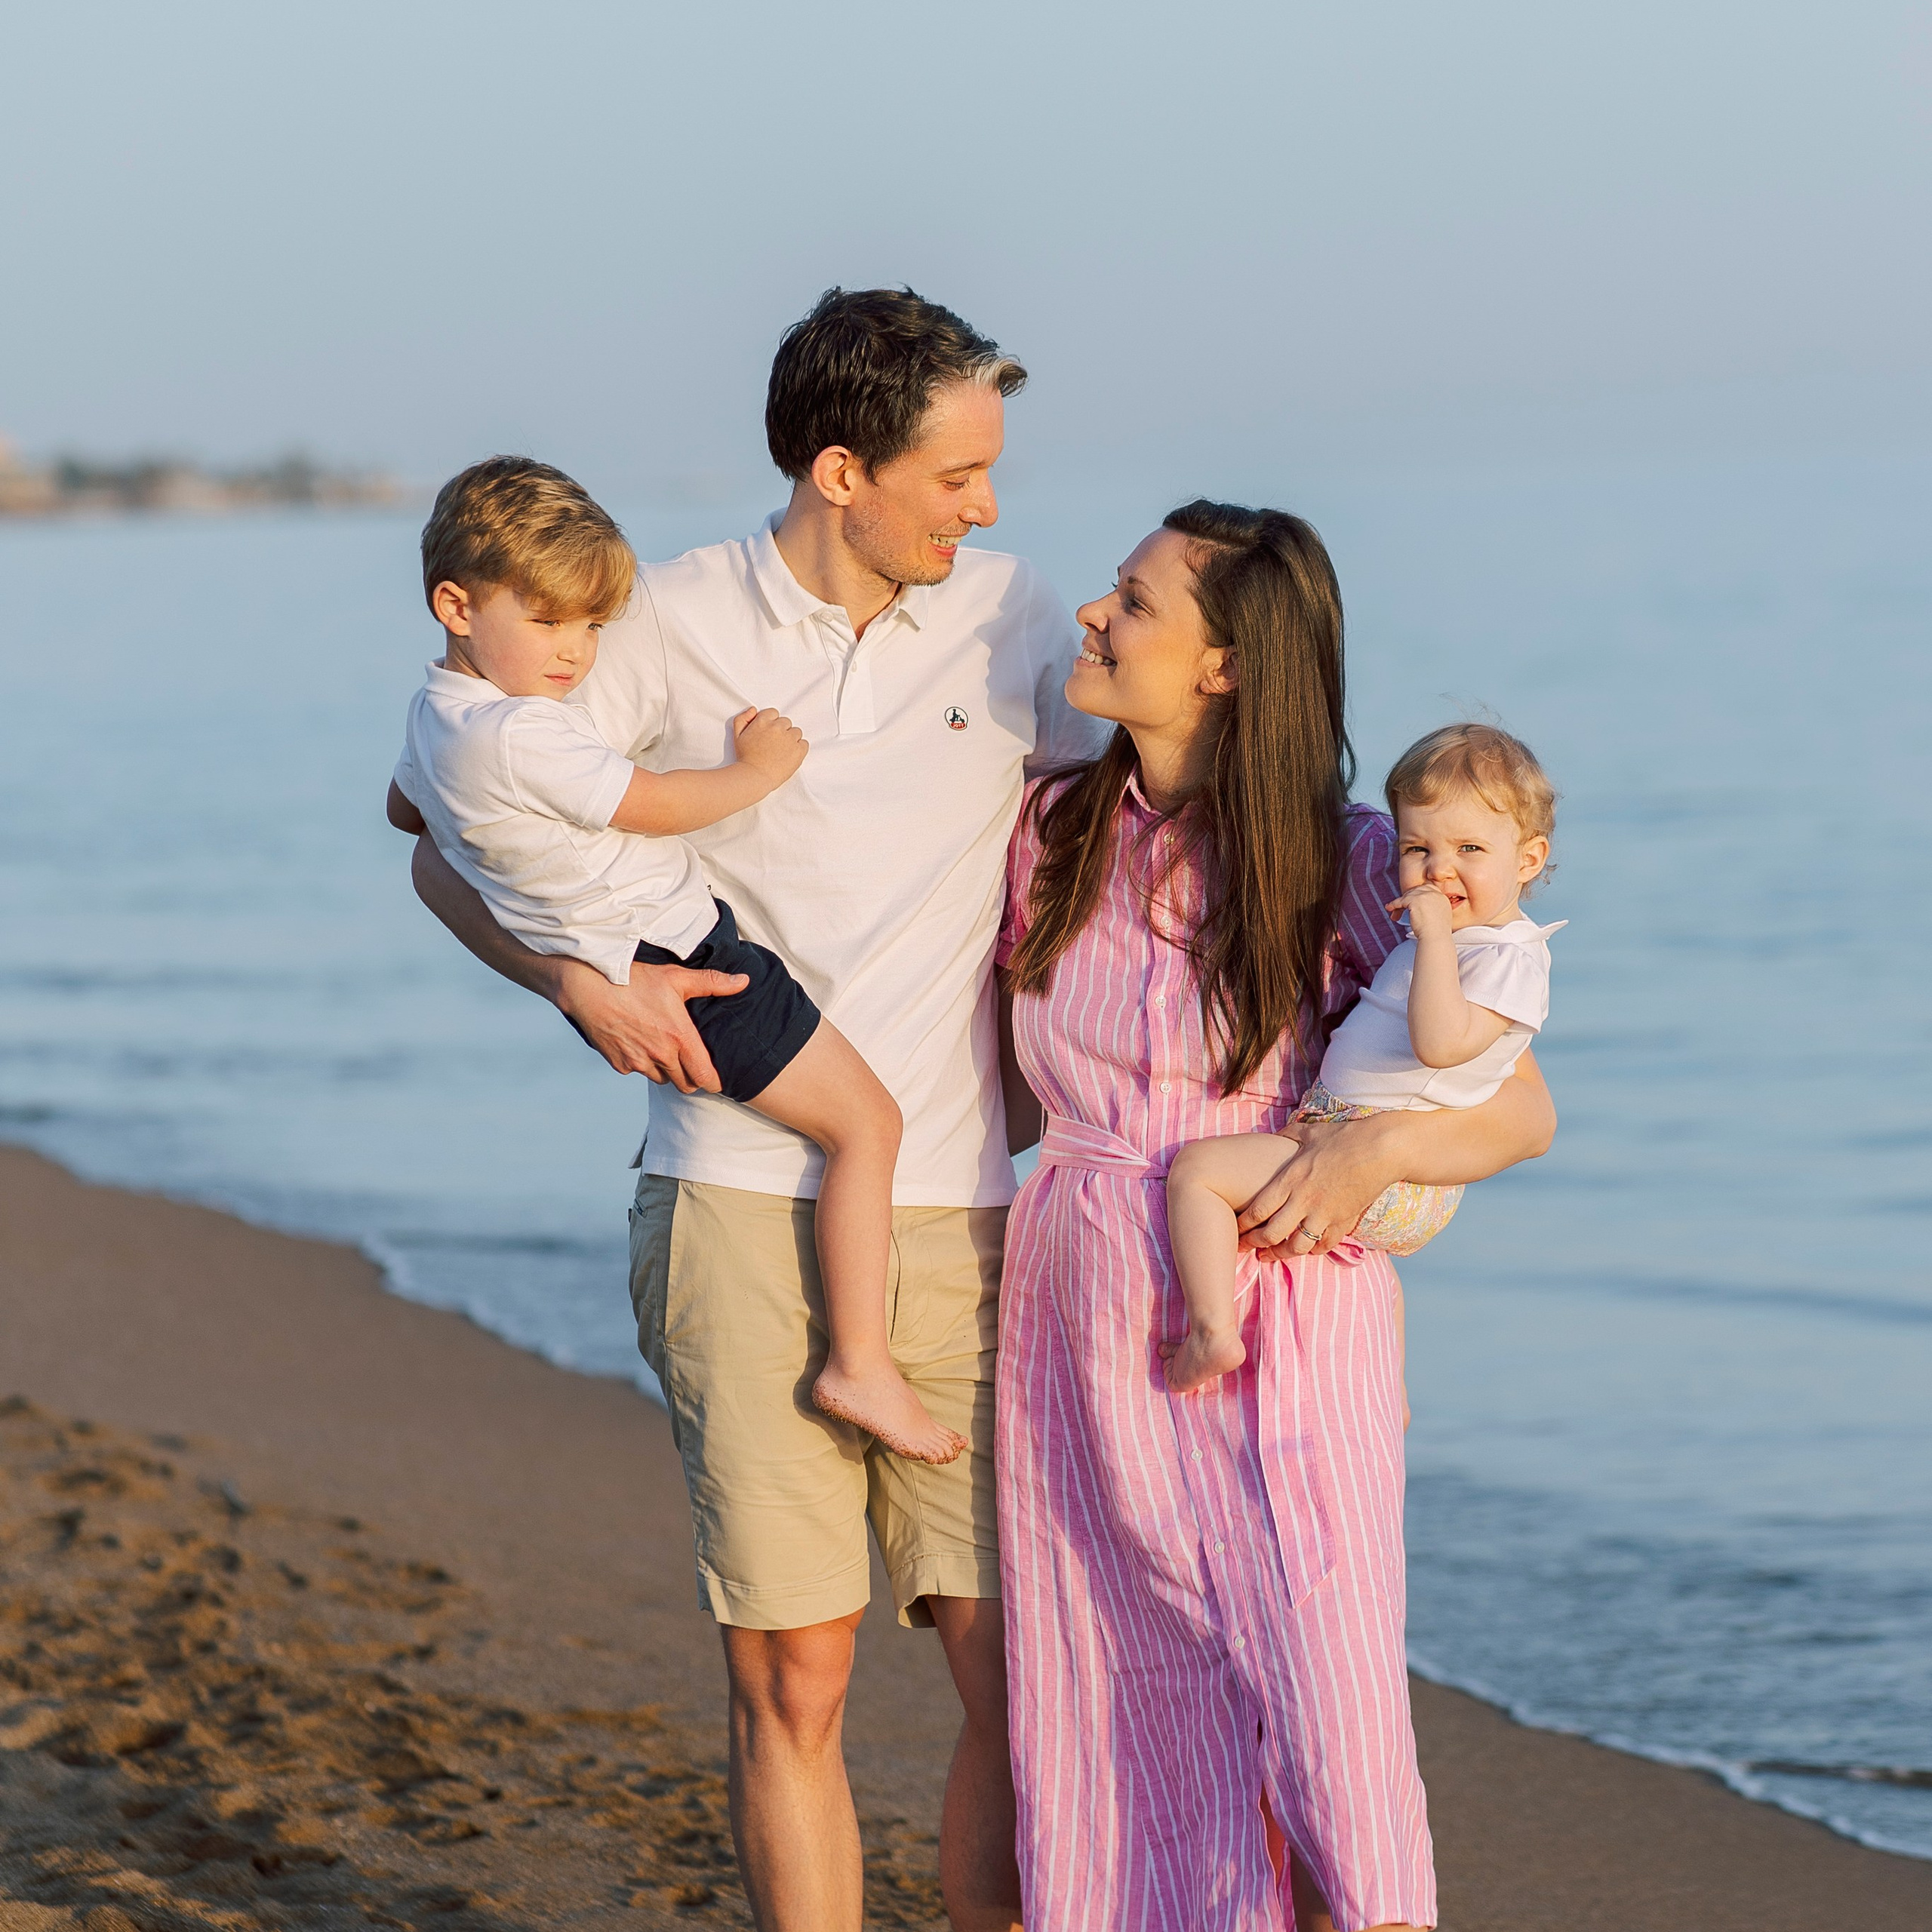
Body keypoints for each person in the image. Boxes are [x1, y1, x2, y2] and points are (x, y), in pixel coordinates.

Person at [400, 289, 1105, 1932]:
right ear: (842, 471)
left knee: (1020, 1686)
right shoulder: (659, 619)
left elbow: (1159, 803)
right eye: (956, 474)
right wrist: (574, 987)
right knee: (797, 1677)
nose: (986, 503)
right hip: (731, 1200)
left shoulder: (1010, 614)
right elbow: (436, 837)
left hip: (968, 1220)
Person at [994, 502, 1557, 1931]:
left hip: (1290, 1294)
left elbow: (1520, 1112)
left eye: (1134, 601)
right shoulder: (1048, 831)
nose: (1094, 615)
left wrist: (1376, 1156)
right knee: (1122, 1692)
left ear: (1227, 665)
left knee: (1328, 1696)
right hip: (1084, 1301)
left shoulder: (1360, 862)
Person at [387, 457, 964, 1465]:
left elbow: (405, 812)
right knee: (868, 1125)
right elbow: (655, 805)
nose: (575, 652)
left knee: (843, 1120)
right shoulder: (523, 734)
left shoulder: (437, 717)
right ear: (455, 605)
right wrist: (758, 769)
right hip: (683, 959)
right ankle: (860, 1362)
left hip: (621, 960)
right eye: (547, 620)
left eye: (591, 625)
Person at [1160, 721, 1564, 1395]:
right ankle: (1393, 1393)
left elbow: (1442, 1042)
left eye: (1469, 848)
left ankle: (1212, 1331)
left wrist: (1433, 940)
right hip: (1348, 1131)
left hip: (1385, 1159)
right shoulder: (1465, 940)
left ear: (1528, 859)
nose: (1438, 869)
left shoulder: (1509, 959)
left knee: (1198, 1174)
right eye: (1417, 848)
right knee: (1361, 1262)